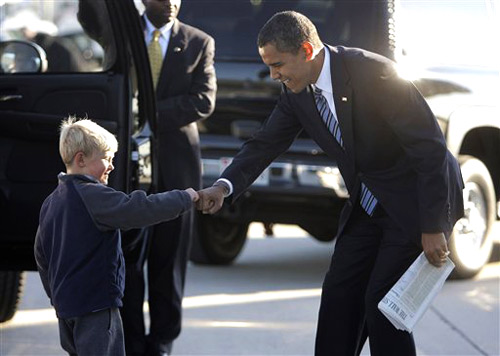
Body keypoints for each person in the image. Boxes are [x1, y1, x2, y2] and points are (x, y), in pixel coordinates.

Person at [197, 11, 464, 356]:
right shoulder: (297, 92)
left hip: (414, 199)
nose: (273, 74)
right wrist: (224, 186)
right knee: (340, 294)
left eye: (278, 64)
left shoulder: (374, 73)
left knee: (383, 304)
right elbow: (265, 143)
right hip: (368, 203)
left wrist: (432, 225)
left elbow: (429, 148)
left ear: (307, 50)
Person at [34, 117, 199, 356]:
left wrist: (57, 297)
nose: (111, 166)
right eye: (107, 159)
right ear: (81, 159)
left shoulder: (51, 201)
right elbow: (140, 208)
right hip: (98, 307)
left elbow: (42, 256)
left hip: (68, 310)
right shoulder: (95, 196)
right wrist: (184, 197)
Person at [119, 1, 216, 355]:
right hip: (128, 168)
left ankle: (161, 342)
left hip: (177, 166)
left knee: (169, 259)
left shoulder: (198, 41)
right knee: (128, 261)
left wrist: (146, 113)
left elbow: (203, 100)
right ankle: (130, 342)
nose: (172, 3)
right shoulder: (123, 36)